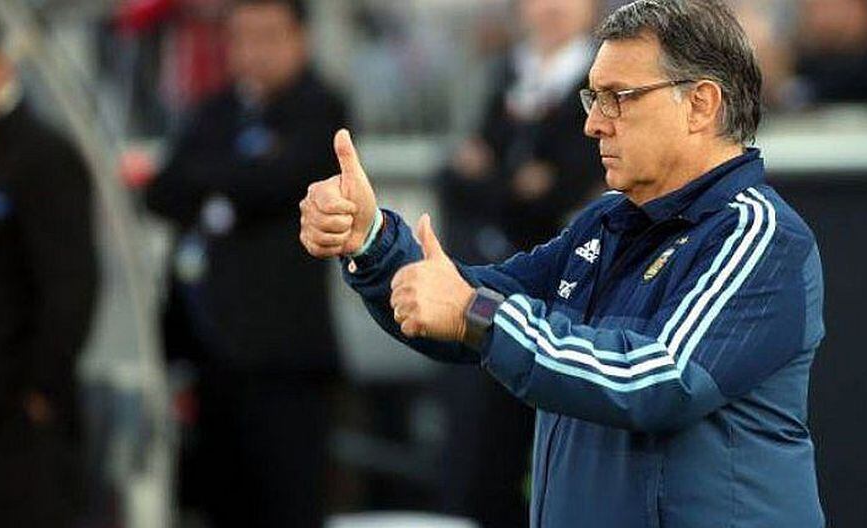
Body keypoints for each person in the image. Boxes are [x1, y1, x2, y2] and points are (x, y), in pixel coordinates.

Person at [300, 0, 825, 526]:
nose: (593, 124)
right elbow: (466, 301)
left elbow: (659, 379)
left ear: (701, 105)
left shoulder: (759, 235)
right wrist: (372, 241)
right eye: (592, 98)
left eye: (618, 98)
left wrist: (476, 316)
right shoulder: (605, 223)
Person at [145, 0, 346, 526]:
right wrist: (233, 179)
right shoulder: (214, 111)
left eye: (268, 36)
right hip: (213, 356)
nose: (253, 52)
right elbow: (164, 190)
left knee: (288, 504)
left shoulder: (321, 108)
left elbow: (281, 182)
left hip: (286, 360)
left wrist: (217, 182)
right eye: (241, 38)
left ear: (300, 38)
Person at [434, 1, 600, 524]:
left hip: (564, 299)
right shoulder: (505, 74)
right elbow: (454, 178)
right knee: (482, 444)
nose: (551, 8)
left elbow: (562, 187)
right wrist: (515, 185)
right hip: (494, 289)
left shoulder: (600, 78)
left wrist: (495, 178)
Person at [0, 13, 98, 528]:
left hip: (20, 424)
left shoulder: (43, 157)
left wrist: (39, 389)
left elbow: (70, 286)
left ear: (1, 63)